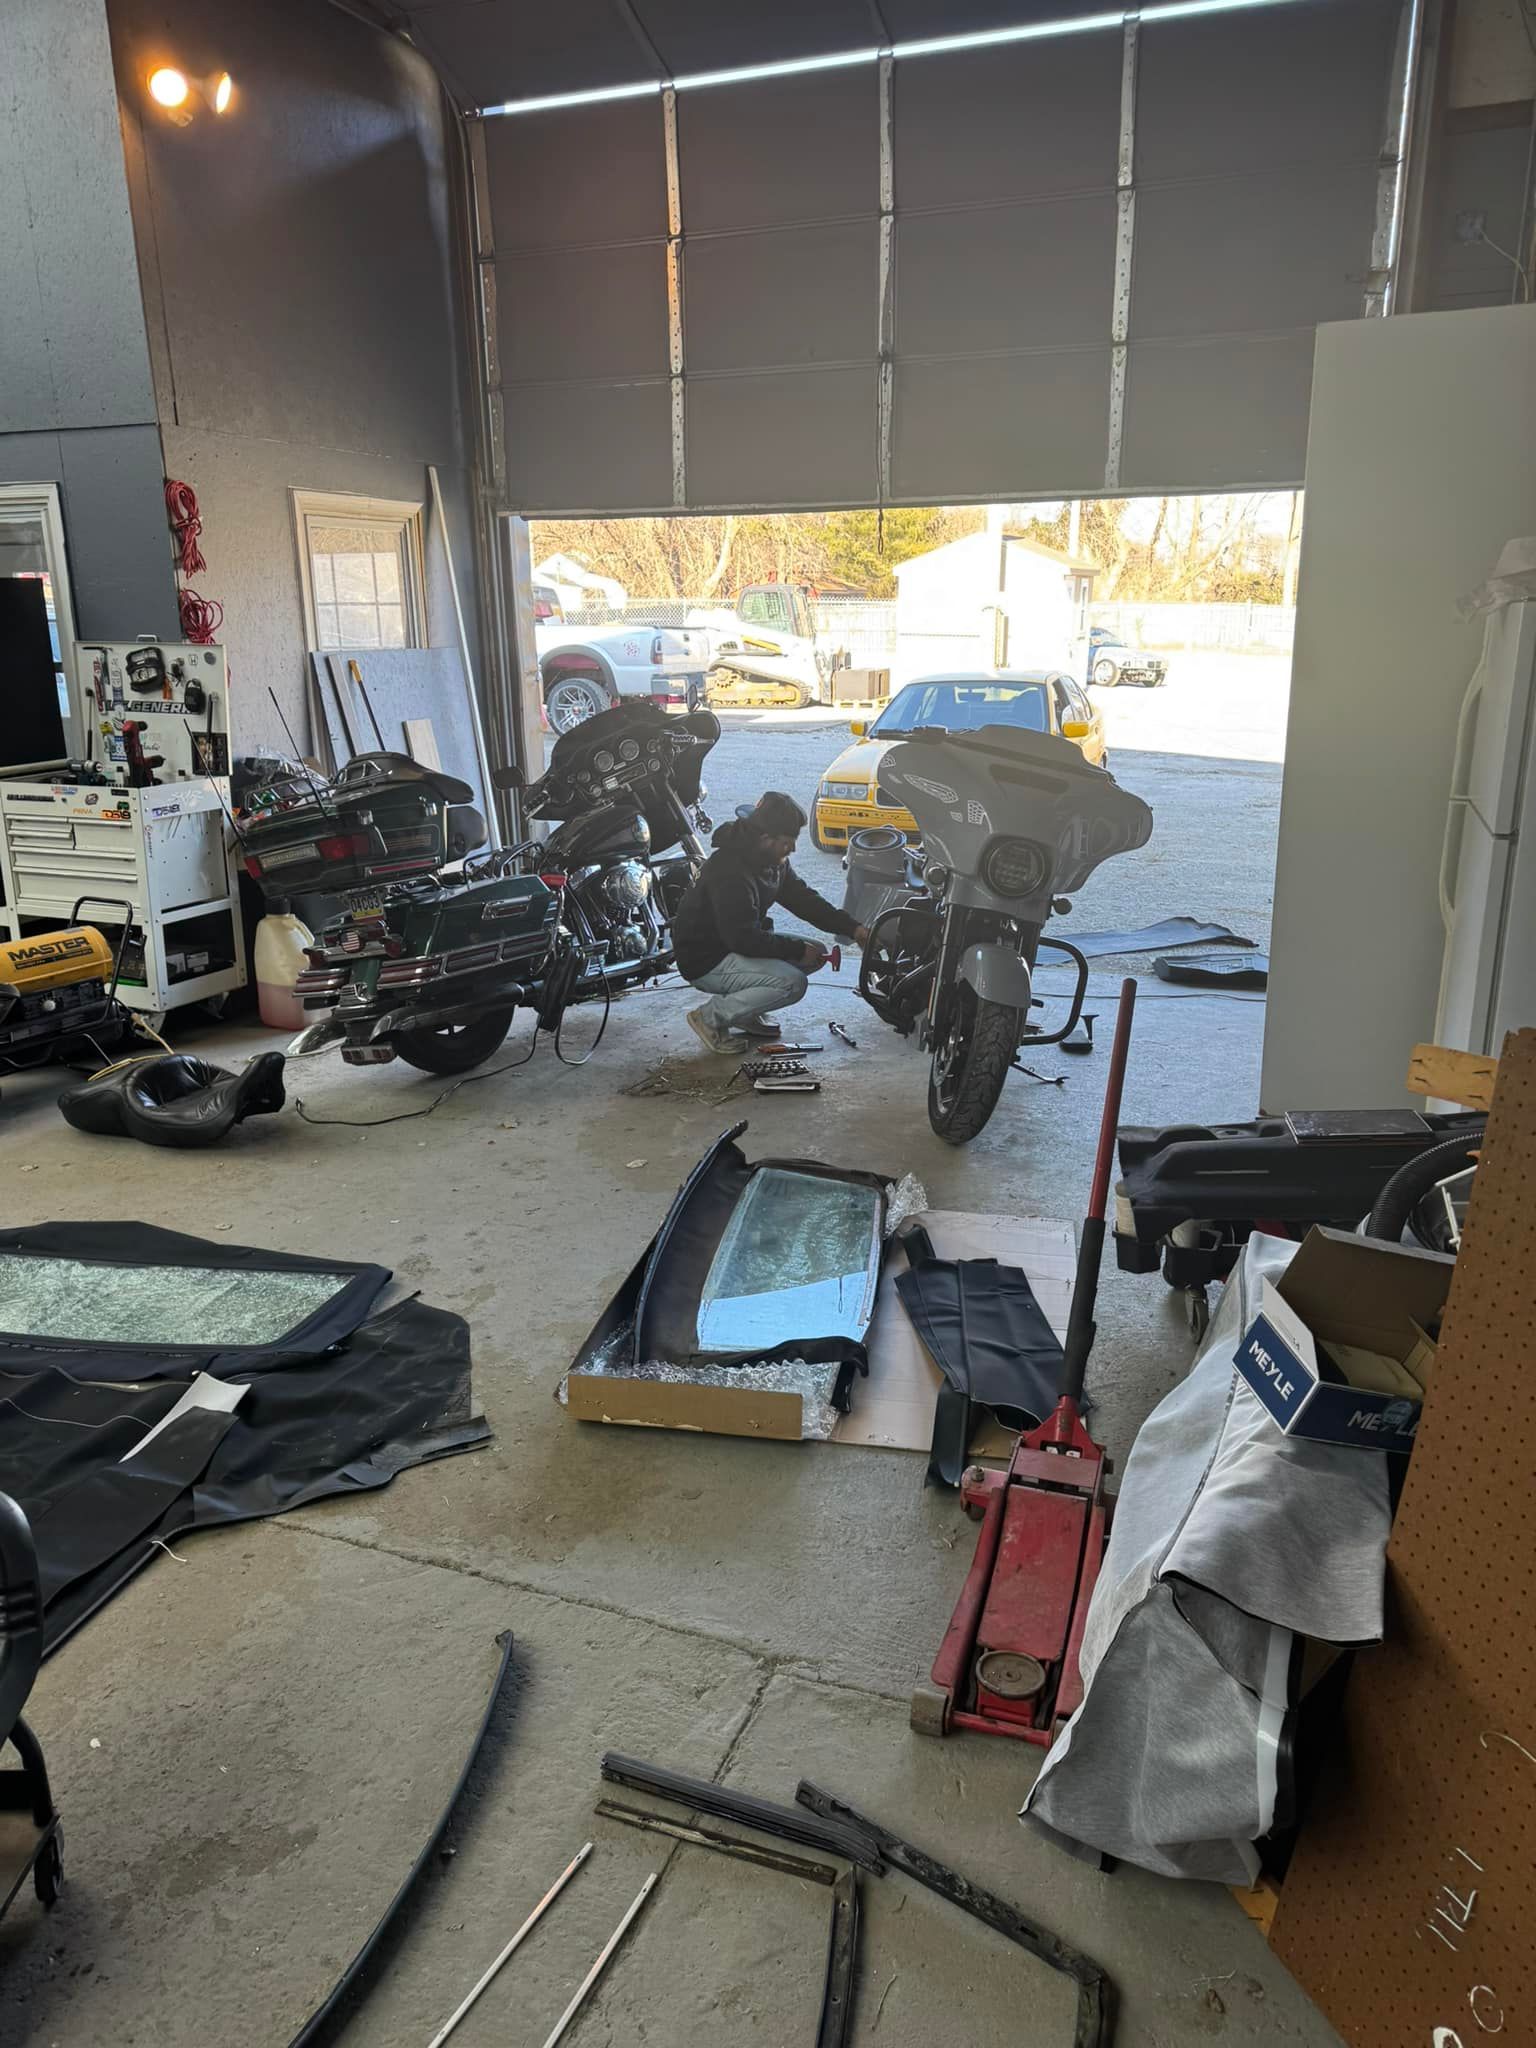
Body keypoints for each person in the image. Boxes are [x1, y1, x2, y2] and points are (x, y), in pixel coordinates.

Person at [672, 791, 869, 1053]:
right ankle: (710, 1018)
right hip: (706, 960)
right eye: (788, 842)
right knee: (793, 983)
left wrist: (852, 928)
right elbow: (743, 939)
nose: (794, 849)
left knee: (818, 953)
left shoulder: (771, 860)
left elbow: (804, 900)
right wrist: (796, 951)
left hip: (731, 946)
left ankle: (744, 1013)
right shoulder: (730, 873)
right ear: (765, 838)